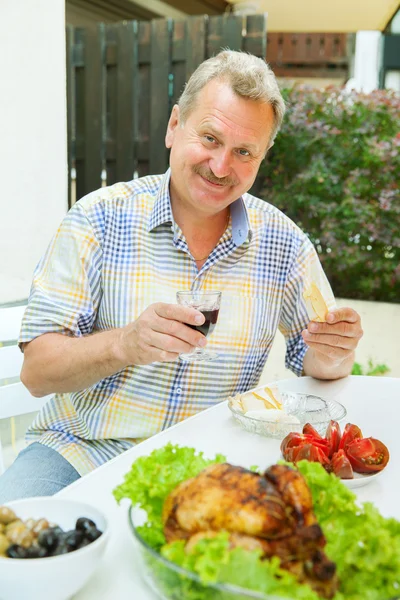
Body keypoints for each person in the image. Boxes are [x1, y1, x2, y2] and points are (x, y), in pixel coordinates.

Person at [0, 50, 363, 502]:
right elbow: (37, 373)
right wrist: (124, 343)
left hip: (211, 466)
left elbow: (322, 364)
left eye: (244, 152)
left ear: (262, 157)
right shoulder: (97, 219)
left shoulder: (284, 244)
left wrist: (334, 351)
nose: (220, 166)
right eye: (210, 138)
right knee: (12, 554)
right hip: (80, 451)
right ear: (175, 126)